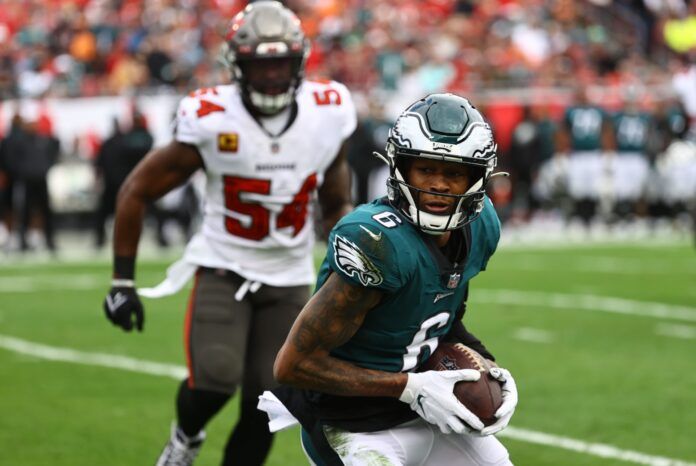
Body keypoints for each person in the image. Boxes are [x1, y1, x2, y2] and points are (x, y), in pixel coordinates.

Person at [101, 2, 356, 465]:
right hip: (224, 264)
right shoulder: (211, 115)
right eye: (262, 64)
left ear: (300, 62)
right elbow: (137, 189)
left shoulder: (329, 111)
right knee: (214, 380)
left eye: (282, 63)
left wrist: (344, 231)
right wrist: (122, 281)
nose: (273, 75)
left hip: (288, 274)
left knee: (268, 404)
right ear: (237, 65)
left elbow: (336, 189)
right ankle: (186, 435)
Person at [266, 93, 518, 465]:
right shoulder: (378, 242)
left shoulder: (480, 227)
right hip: (352, 425)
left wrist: (488, 365)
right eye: (426, 169)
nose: (440, 184)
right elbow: (293, 365)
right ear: (400, 168)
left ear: (477, 177)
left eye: (454, 173)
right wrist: (411, 387)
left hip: (427, 413)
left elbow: (443, 322)